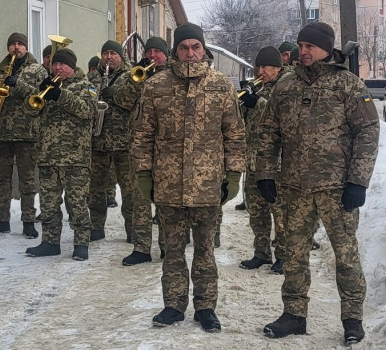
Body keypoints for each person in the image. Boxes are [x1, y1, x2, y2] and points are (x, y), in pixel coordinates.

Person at [253, 21, 379, 346]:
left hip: (337, 189)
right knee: (293, 254)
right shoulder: (285, 87)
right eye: (300, 45)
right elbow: (268, 133)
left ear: (326, 47)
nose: (303, 51)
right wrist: (265, 172)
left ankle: (352, 319)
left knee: (346, 255)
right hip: (295, 188)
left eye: (309, 46)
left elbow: (367, 132)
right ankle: (294, 315)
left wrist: (358, 180)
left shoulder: (348, 85)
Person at [132, 23, 244, 332]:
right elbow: (142, 135)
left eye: (195, 47)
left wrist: (233, 175)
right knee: (172, 249)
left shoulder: (221, 86)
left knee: (205, 250)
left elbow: (235, 136)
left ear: (204, 49)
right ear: (175, 51)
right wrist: (143, 173)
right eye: (184, 47)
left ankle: (206, 307)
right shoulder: (156, 86)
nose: (190, 53)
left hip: (207, 185)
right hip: (168, 184)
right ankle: (173, 305)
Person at [26, 47, 97, 261]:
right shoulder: (46, 85)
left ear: (72, 67)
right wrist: (40, 93)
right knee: (49, 202)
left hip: (75, 157)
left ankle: (81, 242)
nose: (57, 67)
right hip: (48, 156)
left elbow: (88, 112)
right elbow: (29, 110)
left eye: (62, 64)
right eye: (55, 64)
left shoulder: (86, 87)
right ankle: (50, 242)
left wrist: (61, 95)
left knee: (76, 202)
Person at [0, 32, 46, 238]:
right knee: (2, 179)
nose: (16, 48)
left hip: (27, 134)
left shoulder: (38, 70)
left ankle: (28, 221)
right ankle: (2, 220)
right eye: (13, 44)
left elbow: (42, 96)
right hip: (0, 133)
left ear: (26, 47)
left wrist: (18, 84)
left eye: (20, 44)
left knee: (27, 181)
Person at [122, 36, 170, 266]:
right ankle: (141, 247)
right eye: (149, 51)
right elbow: (121, 100)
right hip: (140, 144)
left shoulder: (173, 76)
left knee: (165, 199)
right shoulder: (137, 74)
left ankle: (167, 247)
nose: (152, 56)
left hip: (165, 147)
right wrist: (137, 80)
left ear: (166, 55)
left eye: (157, 52)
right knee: (139, 197)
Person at [237, 46, 286, 272]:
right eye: (258, 66)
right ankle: (262, 252)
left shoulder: (286, 88)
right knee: (257, 212)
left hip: (276, 164)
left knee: (280, 212)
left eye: (265, 67)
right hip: (253, 161)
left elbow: (283, 118)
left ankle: (284, 255)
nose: (260, 71)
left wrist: (258, 103)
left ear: (277, 68)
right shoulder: (257, 88)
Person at [90, 40, 140, 243]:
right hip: (98, 141)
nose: (109, 57)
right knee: (95, 188)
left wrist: (116, 95)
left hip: (124, 143)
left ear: (121, 56)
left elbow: (136, 103)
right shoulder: (93, 76)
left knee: (129, 191)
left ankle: (132, 230)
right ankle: (96, 227)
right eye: (105, 53)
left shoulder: (133, 75)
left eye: (113, 53)